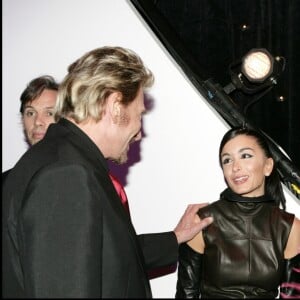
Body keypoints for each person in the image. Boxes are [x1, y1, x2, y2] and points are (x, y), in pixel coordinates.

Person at [2, 46, 213, 298]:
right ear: (115, 106)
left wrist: (175, 237)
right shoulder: (66, 175)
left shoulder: (66, 160)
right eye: (139, 115)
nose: (138, 132)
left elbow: (107, 255)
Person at [175, 126, 300, 298]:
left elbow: (293, 295)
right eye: (227, 160)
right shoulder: (203, 221)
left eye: (246, 156)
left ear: (268, 166)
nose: (235, 167)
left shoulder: (290, 227)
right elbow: (186, 294)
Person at [2, 75, 59, 181]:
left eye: (49, 113)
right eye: (31, 113)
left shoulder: (80, 176)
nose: (37, 122)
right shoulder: (7, 181)